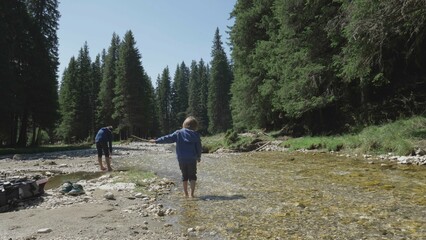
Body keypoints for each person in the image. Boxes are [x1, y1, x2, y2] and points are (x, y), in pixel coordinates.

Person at [150, 116, 202, 198]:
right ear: (195, 126)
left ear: (184, 124)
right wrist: (198, 157)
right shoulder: (196, 135)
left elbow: (167, 138)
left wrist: (156, 141)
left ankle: (185, 194)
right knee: (192, 176)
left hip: (181, 159)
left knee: (184, 176)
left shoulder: (179, 133)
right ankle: (192, 194)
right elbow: (198, 147)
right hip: (192, 159)